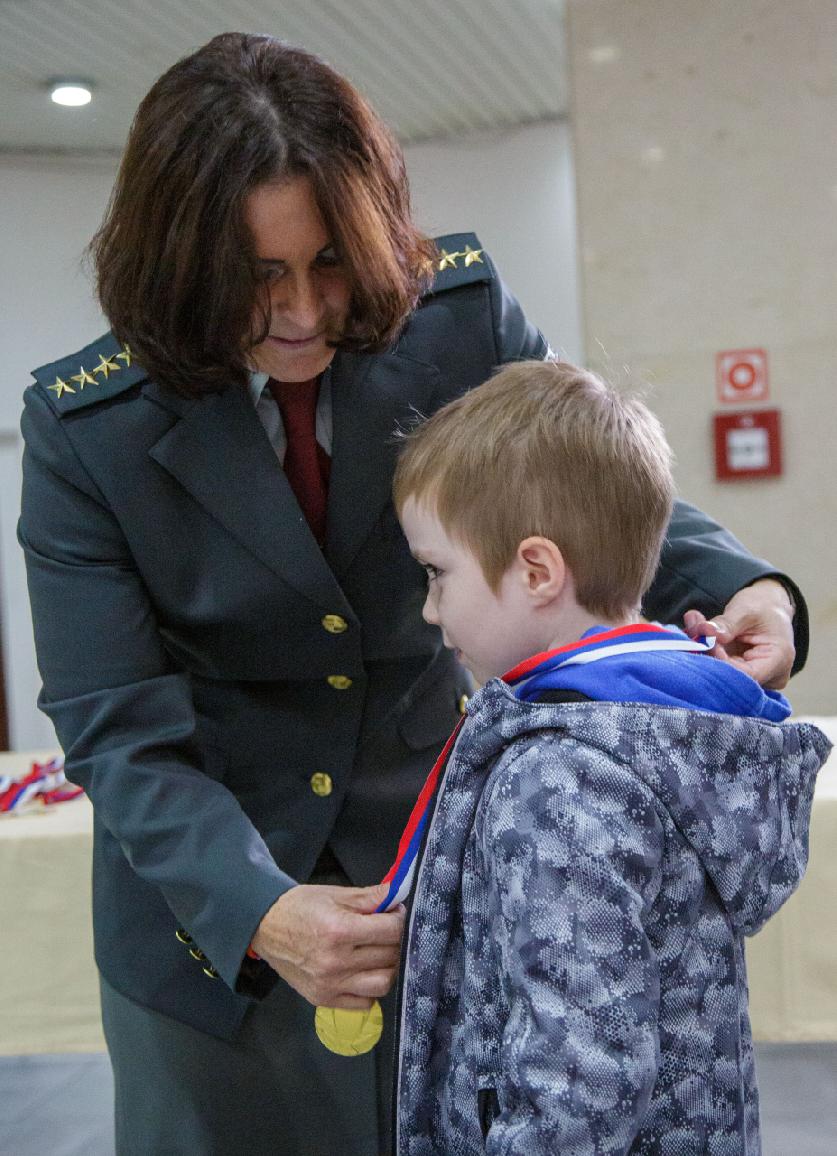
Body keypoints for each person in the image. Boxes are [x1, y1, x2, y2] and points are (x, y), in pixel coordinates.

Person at [18, 30, 806, 1156]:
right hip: (211, 940)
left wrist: (749, 586)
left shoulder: (454, 317)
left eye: (331, 261)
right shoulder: (86, 428)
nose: (304, 311)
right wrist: (258, 908)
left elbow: (586, 482)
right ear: (181, 263)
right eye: (258, 276)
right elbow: (117, 728)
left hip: (440, 879)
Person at [390, 360, 830, 1155]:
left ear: (536, 570)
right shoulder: (660, 724)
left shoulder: (559, 777)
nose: (428, 608)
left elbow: (578, 1083)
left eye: (436, 573)